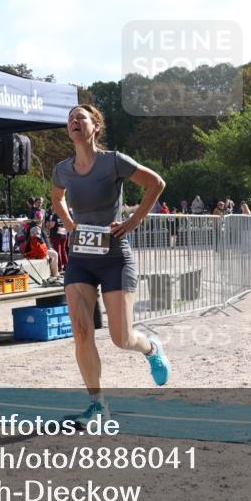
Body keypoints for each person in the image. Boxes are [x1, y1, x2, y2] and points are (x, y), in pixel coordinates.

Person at [51, 104, 169, 428]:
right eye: (70, 118)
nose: (74, 121)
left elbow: (156, 183)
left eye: (81, 117)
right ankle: (97, 404)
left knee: (121, 338)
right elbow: (57, 198)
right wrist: (69, 224)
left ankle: (151, 348)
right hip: (81, 260)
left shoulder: (113, 161)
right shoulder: (62, 169)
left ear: (95, 126)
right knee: (81, 331)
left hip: (115, 257)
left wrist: (132, 221)